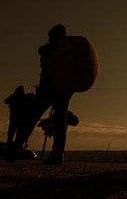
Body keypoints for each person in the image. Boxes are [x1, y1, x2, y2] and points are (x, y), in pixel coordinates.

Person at [6, 24, 74, 165]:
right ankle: (57, 154)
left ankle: (15, 150)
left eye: (52, 35)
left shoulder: (60, 48)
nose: (50, 38)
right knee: (58, 120)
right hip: (62, 89)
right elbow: (42, 50)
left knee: (34, 117)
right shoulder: (63, 48)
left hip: (51, 88)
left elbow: (43, 51)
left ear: (58, 35)